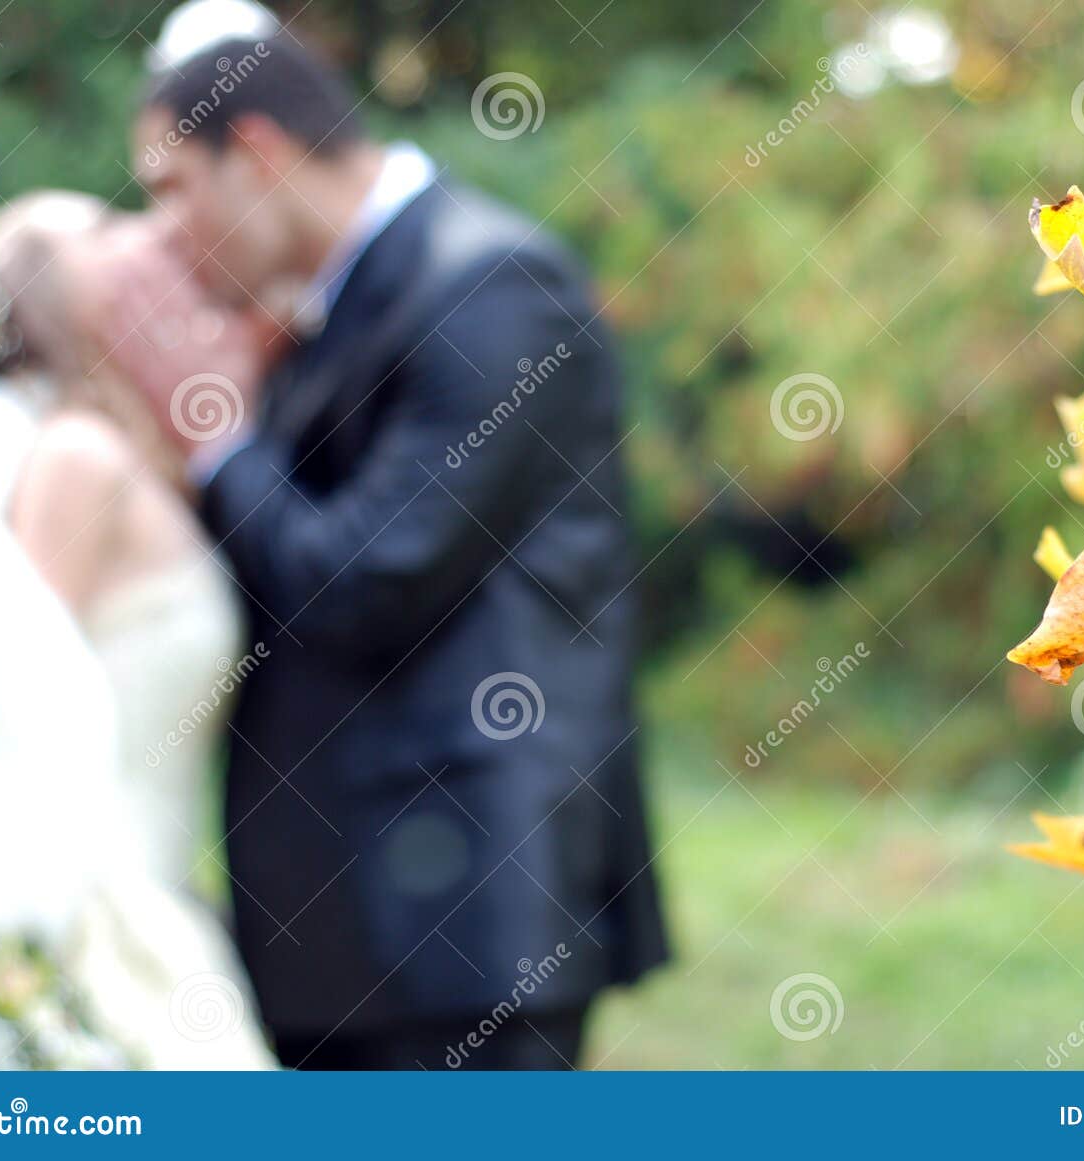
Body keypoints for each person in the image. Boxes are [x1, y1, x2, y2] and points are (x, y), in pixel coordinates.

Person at [102, 22, 669, 1068]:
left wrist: (219, 434)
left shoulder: (491, 287)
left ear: (260, 153)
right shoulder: (329, 306)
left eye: (173, 188)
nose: (163, 231)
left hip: (460, 925)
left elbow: (367, 581)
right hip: (342, 928)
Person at [0, 196, 274, 1069]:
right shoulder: (77, 462)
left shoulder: (116, 446)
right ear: (69, 292)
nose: (144, 239)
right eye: (107, 231)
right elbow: (11, 694)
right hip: (95, 908)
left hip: (157, 880)